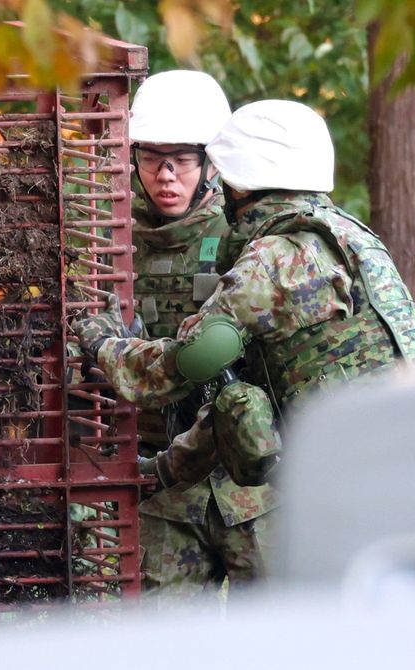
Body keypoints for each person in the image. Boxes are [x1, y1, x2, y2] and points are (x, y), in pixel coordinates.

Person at [72, 99, 415, 541]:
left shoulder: (273, 259)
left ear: (241, 186)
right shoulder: (351, 236)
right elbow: (239, 390)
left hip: (352, 473)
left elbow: (188, 365)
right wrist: (167, 469)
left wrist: (105, 344)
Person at [84, 71, 277, 602]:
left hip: (249, 478)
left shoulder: (252, 239)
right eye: (151, 158)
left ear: (211, 161)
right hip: (162, 479)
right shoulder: (109, 244)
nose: (166, 175)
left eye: (183, 159)